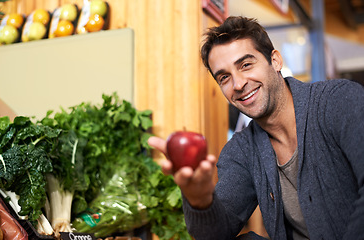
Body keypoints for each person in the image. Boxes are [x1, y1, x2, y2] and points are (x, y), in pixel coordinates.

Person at [148, 16, 364, 240]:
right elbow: (216, 234)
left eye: (246, 65)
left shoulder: (338, 100)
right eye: (224, 77)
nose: (239, 84)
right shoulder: (240, 151)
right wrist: (200, 201)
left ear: (276, 61)